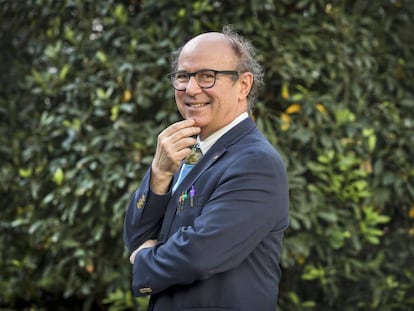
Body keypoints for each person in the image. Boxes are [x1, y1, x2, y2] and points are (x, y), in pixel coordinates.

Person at [123, 25, 289, 311]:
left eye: (207, 76)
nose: (191, 89)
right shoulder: (184, 152)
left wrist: (143, 262)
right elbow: (137, 238)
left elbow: (200, 253)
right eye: (183, 76)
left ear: (243, 85)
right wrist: (160, 174)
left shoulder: (256, 163)